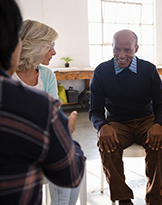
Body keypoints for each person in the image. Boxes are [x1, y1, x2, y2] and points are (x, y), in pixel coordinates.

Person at [0, 0, 86, 204]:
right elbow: (52, 117)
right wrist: (63, 128)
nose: (54, 52)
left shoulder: (46, 75)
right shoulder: (38, 107)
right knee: (69, 157)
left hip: (39, 142)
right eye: (50, 46)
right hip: (36, 147)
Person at [89, 29, 162, 205]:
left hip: (146, 120)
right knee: (107, 143)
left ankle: (154, 200)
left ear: (136, 48)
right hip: (117, 122)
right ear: (112, 48)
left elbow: (161, 105)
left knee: (159, 142)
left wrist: (159, 124)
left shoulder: (148, 70)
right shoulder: (102, 71)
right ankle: (123, 199)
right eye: (117, 49)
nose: (121, 55)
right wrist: (102, 126)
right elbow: (94, 110)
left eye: (127, 50)